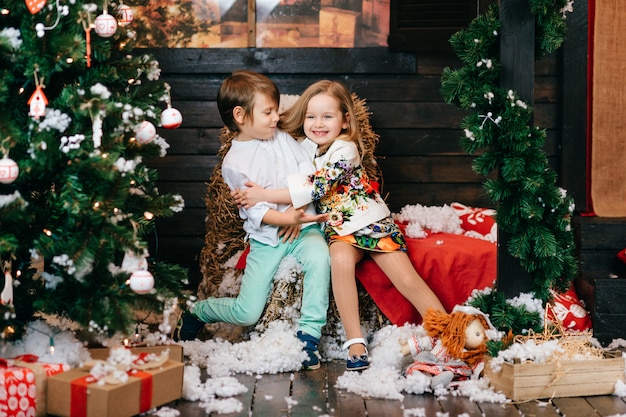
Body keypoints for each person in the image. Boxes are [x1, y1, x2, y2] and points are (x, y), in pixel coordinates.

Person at [232, 80, 447, 371]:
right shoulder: (303, 148)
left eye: (327, 117)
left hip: (369, 222)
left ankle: (446, 333)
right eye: (311, 117)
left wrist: (263, 195)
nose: (318, 124)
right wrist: (295, 212)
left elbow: (314, 186)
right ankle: (355, 342)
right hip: (338, 230)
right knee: (339, 265)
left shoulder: (346, 150)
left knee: (406, 279)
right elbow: (291, 175)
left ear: (345, 121)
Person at [174, 70, 331, 371]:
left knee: (319, 257)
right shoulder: (235, 162)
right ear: (241, 115)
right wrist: (283, 216)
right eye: (268, 111)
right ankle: (198, 312)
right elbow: (254, 211)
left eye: (276, 110)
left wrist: (295, 216)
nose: (276, 117)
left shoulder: (284, 139)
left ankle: (309, 337)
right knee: (248, 312)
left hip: (303, 227)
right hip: (266, 240)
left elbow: (309, 181)